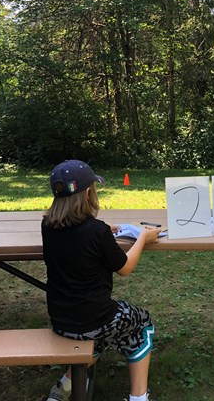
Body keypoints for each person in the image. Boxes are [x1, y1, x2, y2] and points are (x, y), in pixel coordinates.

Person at [41, 160, 160, 401]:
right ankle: (139, 397)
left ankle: (65, 385)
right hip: (95, 318)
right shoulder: (97, 231)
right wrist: (143, 239)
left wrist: (103, 230)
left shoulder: (48, 226)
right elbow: (124, 268)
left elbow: (76, 235)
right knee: (142, 322)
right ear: (87, 193)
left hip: (61, 319)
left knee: (102, 332)